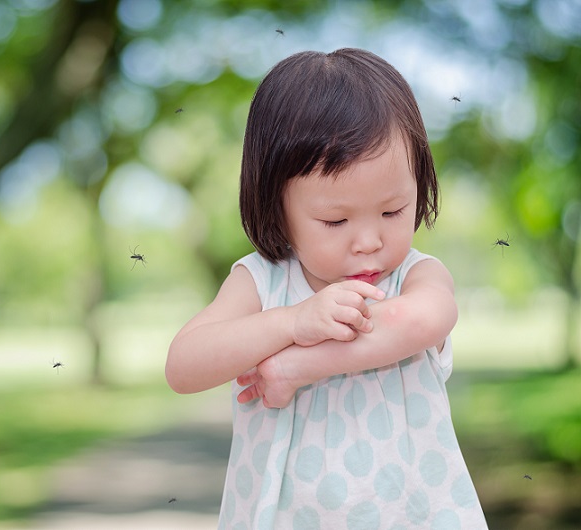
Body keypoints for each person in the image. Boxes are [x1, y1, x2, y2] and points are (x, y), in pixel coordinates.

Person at [165, 48, 487, 529]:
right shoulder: (262, 282)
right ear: (276, 207)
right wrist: (291, 321)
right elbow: (182, 366)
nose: (369, 241)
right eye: (335, 220)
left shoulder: (415, 277)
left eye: (393, 211)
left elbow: (425, 319)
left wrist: (298, 366)